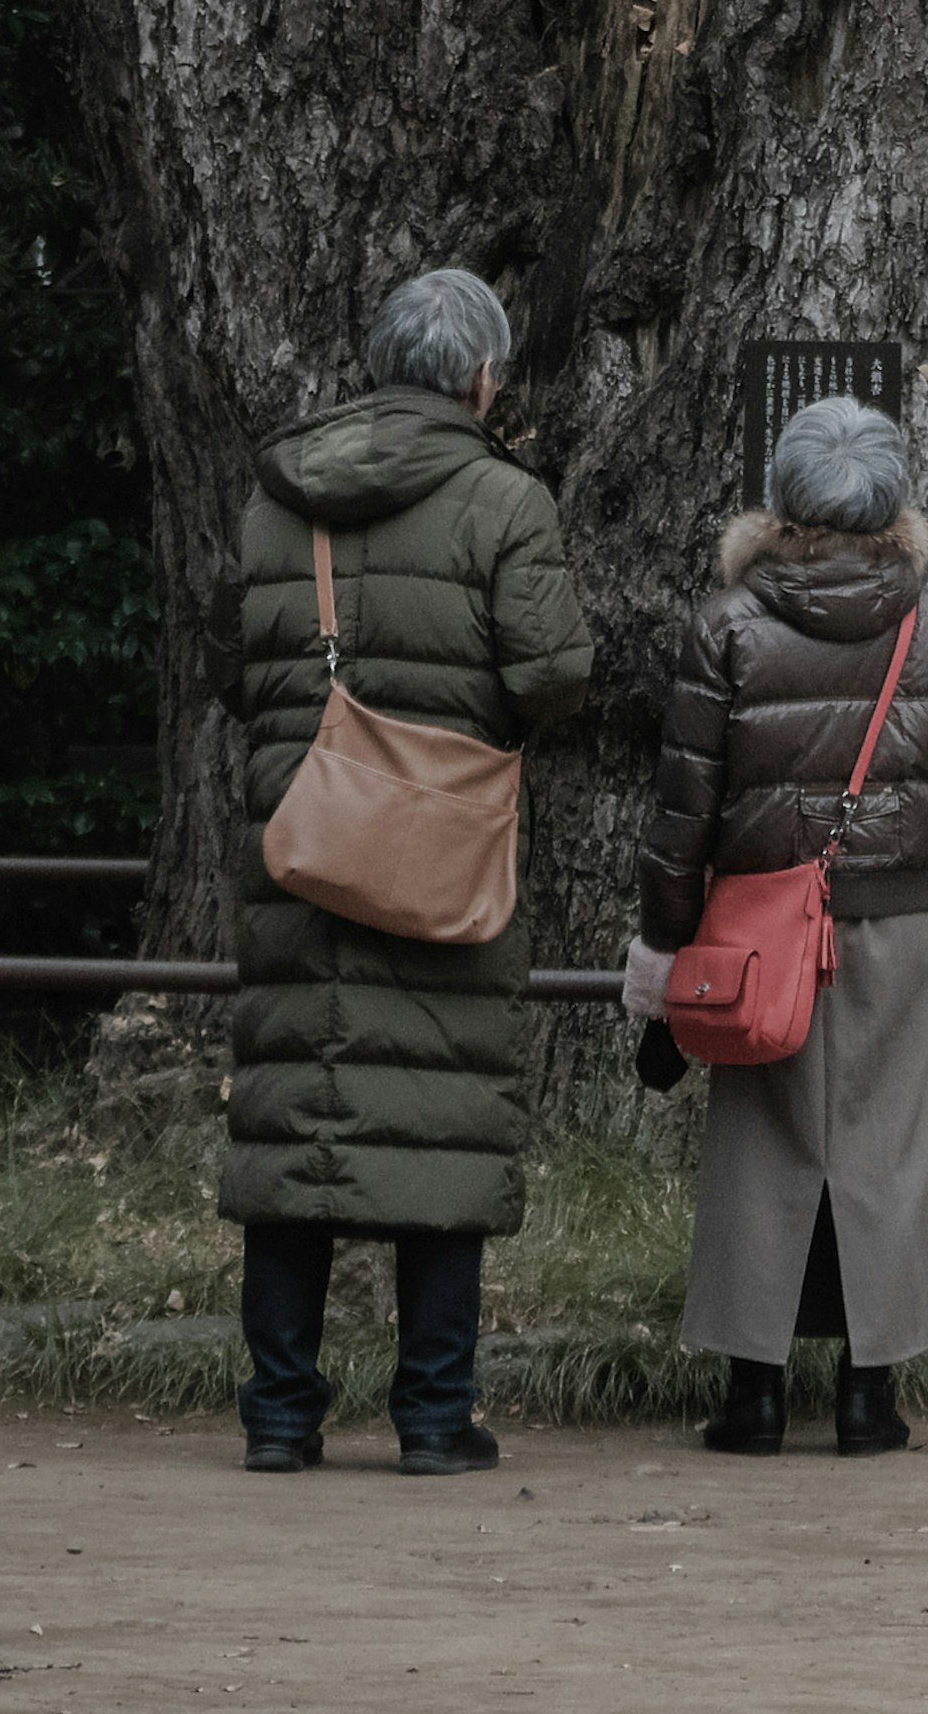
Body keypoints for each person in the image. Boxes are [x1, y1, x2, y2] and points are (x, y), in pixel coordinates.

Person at [223, 262, 593, 1474]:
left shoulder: (279, 501)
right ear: (485, 378)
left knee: (294, 1126)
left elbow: (234, 661)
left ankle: (280, 1418)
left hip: (302, 838)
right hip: (439, 848)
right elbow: (549, 673)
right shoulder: (505, 499)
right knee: (444, 1122)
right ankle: (434, 1418)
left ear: (381, 363)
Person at [624, 390, 928, 1459]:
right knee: (888, 1152)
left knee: (761, 1149)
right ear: (893, 502)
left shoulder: (728, 623)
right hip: (896, 922)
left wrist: (665, 940)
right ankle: (870, 1395)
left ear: (783, 495)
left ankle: (752, 1393)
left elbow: (682, 809)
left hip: (757, 929)